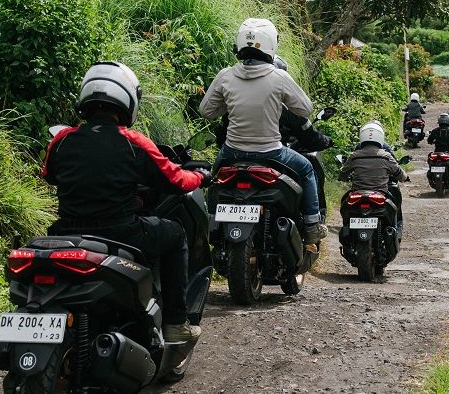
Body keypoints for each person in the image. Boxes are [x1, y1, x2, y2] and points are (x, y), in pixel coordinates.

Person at [42, 61, 209, 344]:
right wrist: (200, 176)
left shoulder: (62, 140)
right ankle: (175, 323)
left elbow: (49, 175)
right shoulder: (134, 142)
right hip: (121, 232)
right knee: (175, 235)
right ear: (127, 100)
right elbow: (175, 181)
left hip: (67, 233)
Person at [199, 18, 326, 245]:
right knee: (307, 169)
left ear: (239, 44)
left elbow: (206, 111)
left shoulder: (225, 75)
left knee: (213, 179)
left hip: (232, 153)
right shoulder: (279, 77)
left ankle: (210, 223)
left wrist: (228, 103)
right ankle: (312, 225)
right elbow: (305, 109)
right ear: (271, 44)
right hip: (271, 152)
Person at [339, 122, 410, 232]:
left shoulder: (355, 156)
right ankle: (393, 230)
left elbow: (343, 174)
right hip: (381, 193)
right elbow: (399, 173)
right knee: (393, 209)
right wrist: (405, 177)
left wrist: (343, 177)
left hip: (357, 193)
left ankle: (347, 231)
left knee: (345, 204)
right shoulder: (386, 156)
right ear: (380, 136)